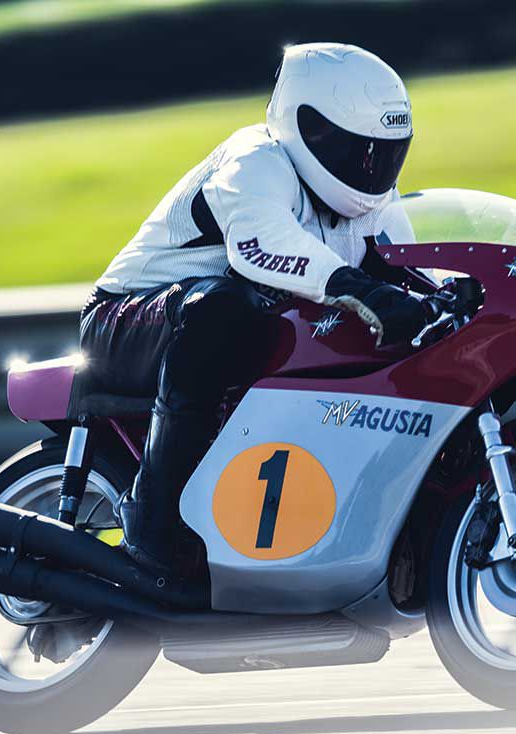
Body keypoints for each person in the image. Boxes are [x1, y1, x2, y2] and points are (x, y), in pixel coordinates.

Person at [79, 42, 429, 574]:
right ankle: (151, 522)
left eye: (383, 153)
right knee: (222, 308)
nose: (371, 169)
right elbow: (263, 245)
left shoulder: (369, 201)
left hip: (214, 331)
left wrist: (442, 295)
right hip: (121, 322)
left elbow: (401, 265)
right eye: (359, 150)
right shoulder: (255, 159)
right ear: (308, 129)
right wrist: (365, 289)